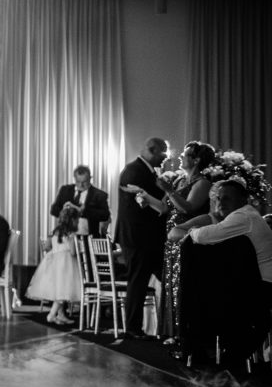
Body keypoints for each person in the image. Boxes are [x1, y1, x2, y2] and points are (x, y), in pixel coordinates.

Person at [169, 180, 272, 365]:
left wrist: (191, 231)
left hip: (263, 288)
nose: (221, 203)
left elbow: (203, 236)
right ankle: (223, 356)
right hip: (254, 285)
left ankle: (215, 355)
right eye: (218, 198)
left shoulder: (243, 216)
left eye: (227, 199)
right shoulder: (245, 216)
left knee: (209, 298)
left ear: (243, 200)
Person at [140, 141, 214, 343]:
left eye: (186, 153)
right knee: (171, 284)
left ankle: (185, 333)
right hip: (170, 240)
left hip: (187, 240)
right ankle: (172, 332)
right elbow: (164, 208)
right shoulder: (180, 180)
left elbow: (188, 208)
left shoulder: (203, 183)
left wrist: (169, 191)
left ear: (196, 159)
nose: (181, 156)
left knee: (184, 284)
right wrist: (146, 197)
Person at [115, 137, 169, 340]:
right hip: (138, 238)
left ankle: (170, 326)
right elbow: (141, 205)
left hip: (148, 240)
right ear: (151, 150)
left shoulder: (145, 171)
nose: (165, 158)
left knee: (167, 278)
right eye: (163, 153)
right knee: (137, 282)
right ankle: (132, 328)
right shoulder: (134, 171)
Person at [28, 204, 82, 326]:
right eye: (77, 219)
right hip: (66, 264)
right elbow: (73, 252)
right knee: (63, 292)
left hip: (53, 264)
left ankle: (61, 315)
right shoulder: (71, 234)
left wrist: (56, 250)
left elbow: (47, 247)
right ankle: (51, 315)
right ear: (73, 220)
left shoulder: (54, 232)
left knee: (60, 290)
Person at [49, 165, 111, 237]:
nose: (81, 185)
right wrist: (64, 210)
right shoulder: (65, 190)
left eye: (84, 182)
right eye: (78, 181)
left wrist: (82, 211)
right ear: (74, 178)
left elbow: (105, 215)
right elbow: (53, 210)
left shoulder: (99, 195)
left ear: (90, 178)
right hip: (66, 236)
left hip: (89, 237)